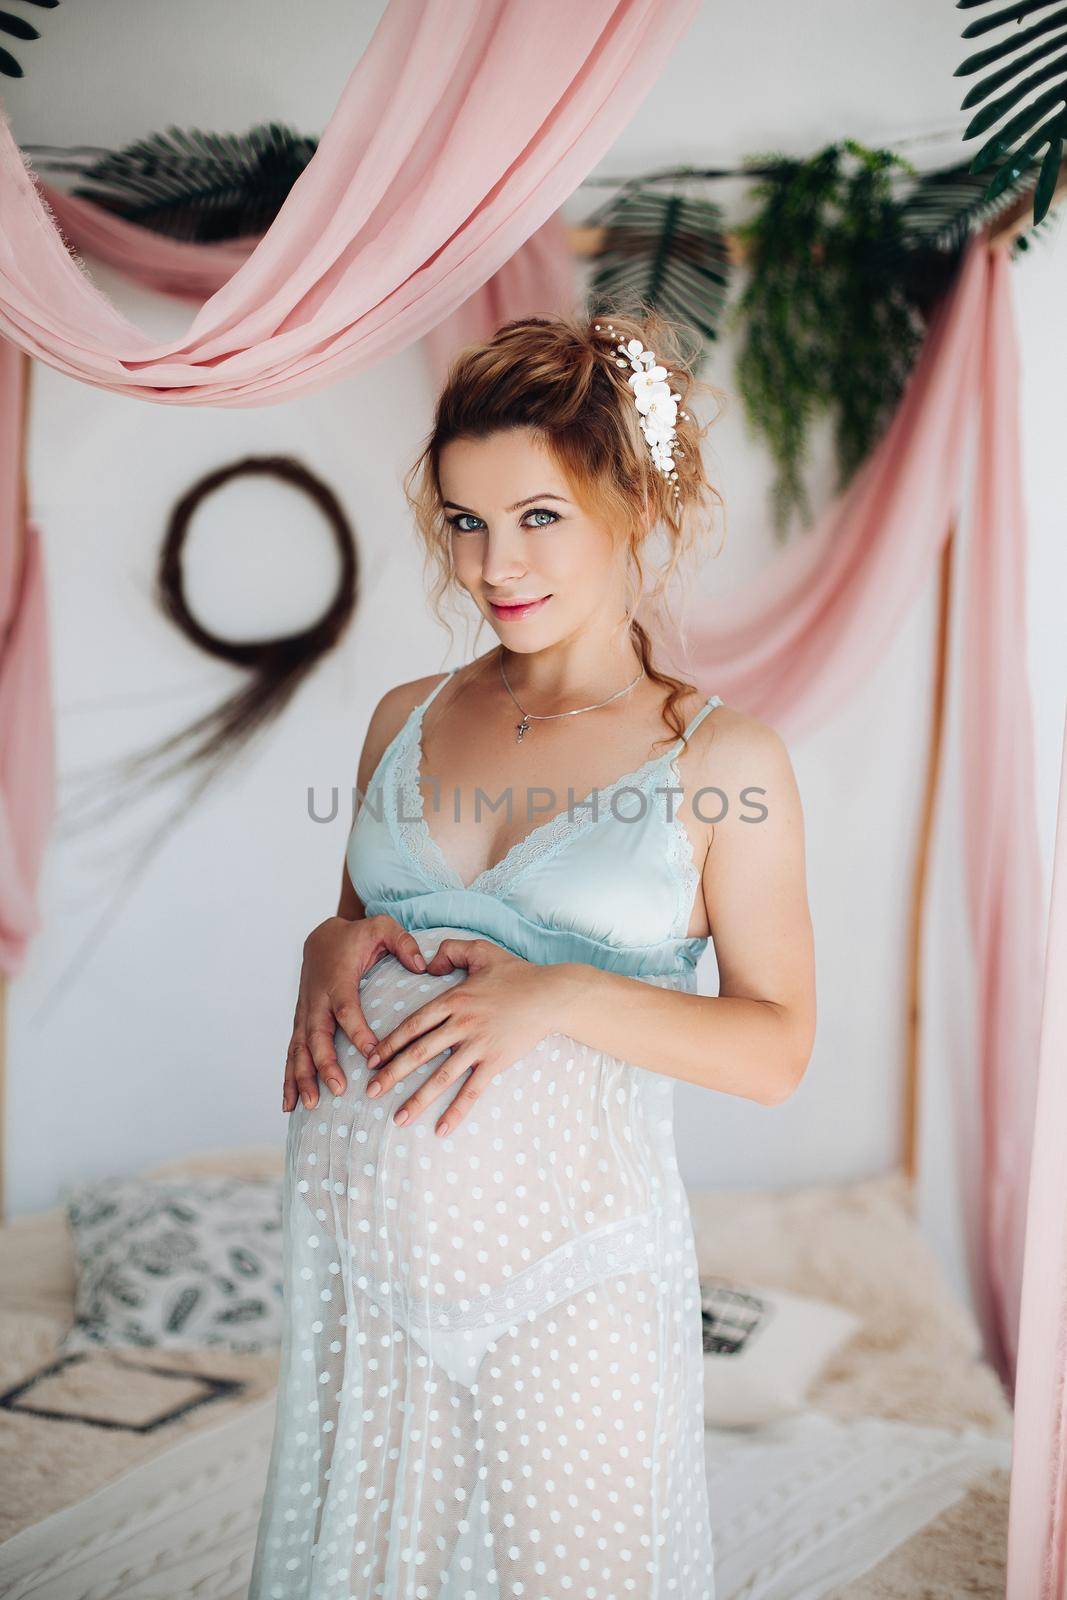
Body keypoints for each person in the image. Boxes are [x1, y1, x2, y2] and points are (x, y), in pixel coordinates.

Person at [248, 309, 816, 1599]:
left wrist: (559, 995)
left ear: (632, 503)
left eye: (538, 517)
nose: (493, 563)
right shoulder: (408, 716)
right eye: (464, 521)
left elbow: (777, 1046)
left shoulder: (720, 763)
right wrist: (325, 942)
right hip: (368, 1285)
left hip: (574, 1289)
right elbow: (363, 924)